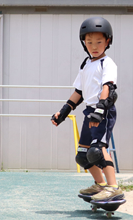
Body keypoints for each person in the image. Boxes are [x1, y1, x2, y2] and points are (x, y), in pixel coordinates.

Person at [52, 17, 123, 201]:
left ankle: (113, 187)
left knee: (97, 150)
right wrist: (64, 111)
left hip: (103, 112)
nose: (94, 46)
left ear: (108, 41)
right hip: (89, 111)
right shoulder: (85, 64)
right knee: (83, 156)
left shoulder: (107, 63)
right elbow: (79, 91)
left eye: (99, 42)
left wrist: (100, 110)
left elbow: (108, 87)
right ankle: (100, 185)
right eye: (89, 42)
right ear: (83, 43)